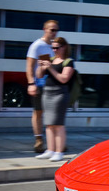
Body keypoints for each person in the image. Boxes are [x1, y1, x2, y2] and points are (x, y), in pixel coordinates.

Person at [35, 37, 74, 162]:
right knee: (49, 124)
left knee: (58, 124)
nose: (54, 50)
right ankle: (50, 150)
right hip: (47, 93)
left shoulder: (68, 62)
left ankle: (59, 152)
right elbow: (39, 75)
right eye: (53, 48)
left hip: (59, 94)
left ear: (64, 47)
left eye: (57, 47)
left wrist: (50, 68)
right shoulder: (50, 59)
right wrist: (41, 66)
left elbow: (64, 79)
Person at [26, 20, 59, 153]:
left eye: (56, 30)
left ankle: (56, 141)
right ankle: (39, 139)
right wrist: (31, 83)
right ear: (44, 29)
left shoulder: (55, 46)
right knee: (38, 112)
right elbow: (29, 67)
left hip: (53, 85)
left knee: (54, 114)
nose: (54, 32)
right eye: (52, 30)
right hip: (39, 84)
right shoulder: (37, 46)